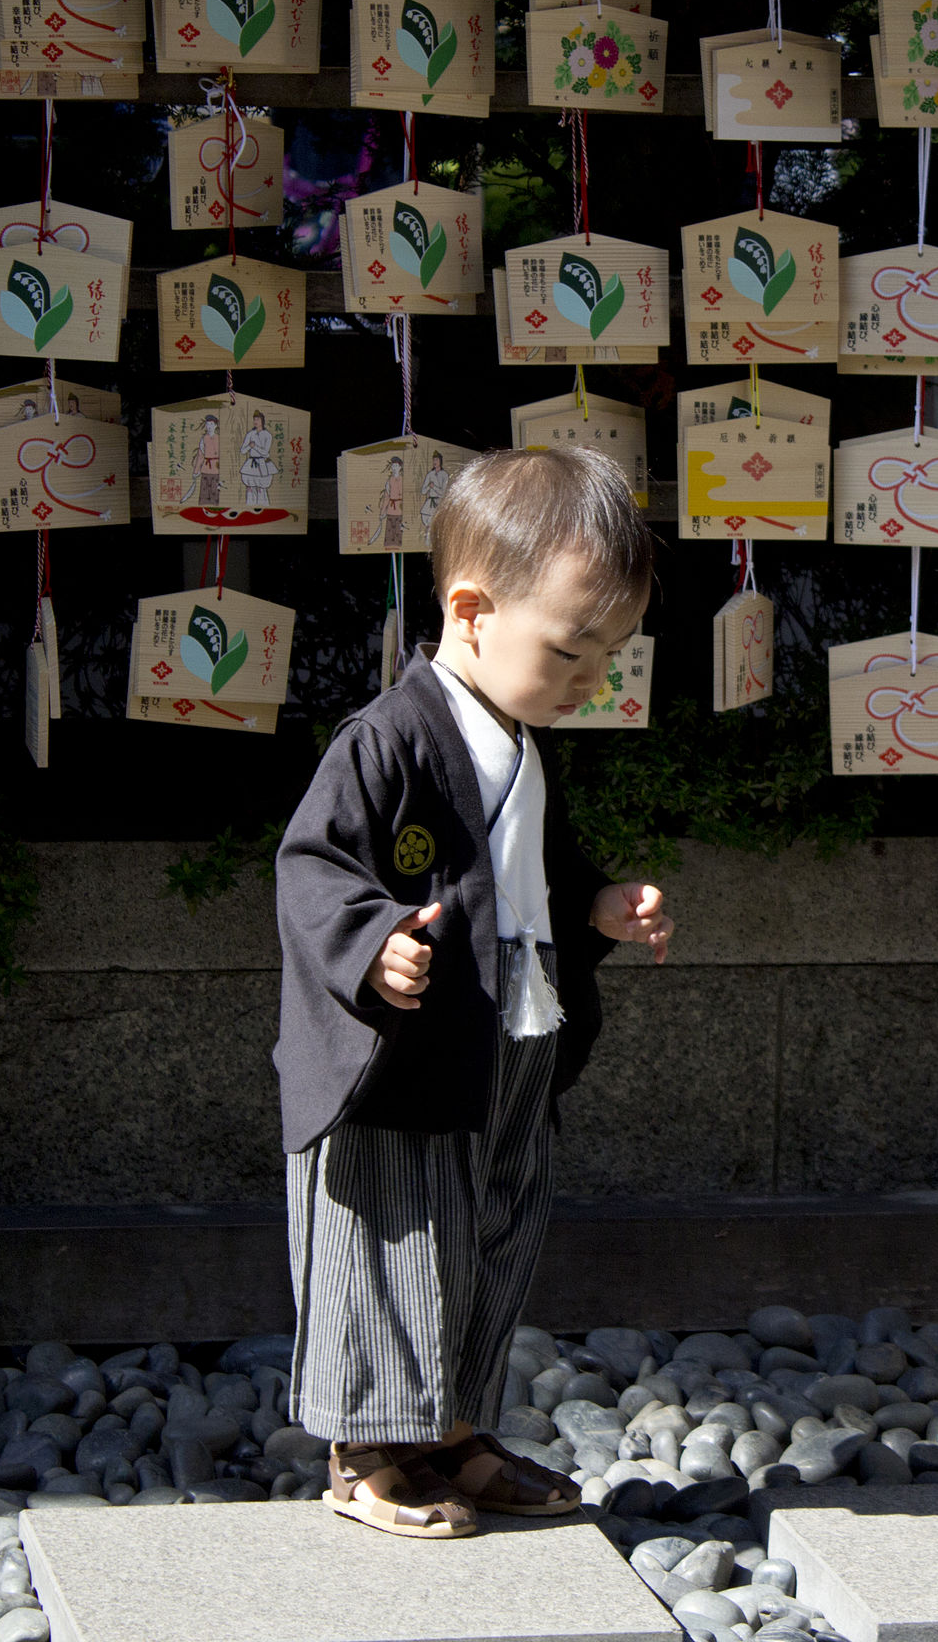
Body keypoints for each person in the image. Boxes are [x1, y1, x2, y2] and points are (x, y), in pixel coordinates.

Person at [274, 447, 673, 1541]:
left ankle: (454, 1427)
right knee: (394, 1238)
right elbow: (312, 866)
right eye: (574, 648)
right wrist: (371, 947)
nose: (592, 676)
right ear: (471, 609)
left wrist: (596, 906)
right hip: (403, 1052)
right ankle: (368, 1452)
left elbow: (534, 869)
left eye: (610, 655)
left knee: (495, 1227)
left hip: (510, 1029)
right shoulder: (389, 739)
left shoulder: (521, 740)